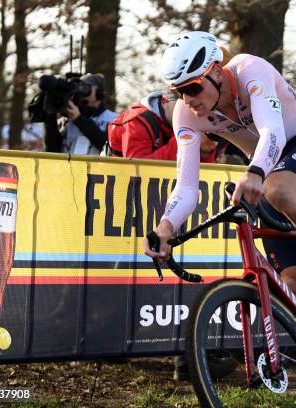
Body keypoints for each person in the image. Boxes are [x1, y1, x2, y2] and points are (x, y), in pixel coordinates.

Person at [143, 31, 296, 406]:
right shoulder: (187, 114)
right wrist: (166, 226)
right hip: (267, 172)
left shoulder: (250, 69)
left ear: (216, 71)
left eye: (194, 87)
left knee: (277, 190)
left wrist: (253, 173)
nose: (188, 100)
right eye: (178, 92)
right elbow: (185, 187)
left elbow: (273, 133)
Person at [108, 90, 236, 381]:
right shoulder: (136, 121)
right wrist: (183, 145)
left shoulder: (194, 120)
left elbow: (199, 173)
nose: (192, 115)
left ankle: (188, 357)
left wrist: (204, 148)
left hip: (170, 211)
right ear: (168, 101)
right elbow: (138, 168)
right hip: (126, 217)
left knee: (181, 281)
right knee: (121, 285)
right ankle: (104, 342)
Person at [44, 73, 117, 155]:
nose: (81, 95)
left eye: (85, 89)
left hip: (97, 167)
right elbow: (52, 151)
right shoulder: (67, 122)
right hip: (69, 167)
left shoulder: (113, 119)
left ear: (99, 93)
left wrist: (79, 119)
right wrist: (51, 118)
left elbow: (106, 145)